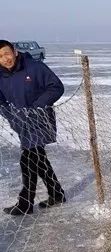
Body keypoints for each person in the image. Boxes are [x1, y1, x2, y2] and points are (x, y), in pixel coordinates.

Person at [0, 39, 66, 215]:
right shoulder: (0, 75)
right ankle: (56, 194)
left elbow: (56, 87)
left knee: (28, 160)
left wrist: (36, 108)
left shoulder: (35, 67)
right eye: (0, 56)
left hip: (40, 121)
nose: (5, 59)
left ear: (14, 52)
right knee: (39, 159)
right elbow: (1, 103)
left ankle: (25, 203)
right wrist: (12, 116)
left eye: (7, 53)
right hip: (21, 124)